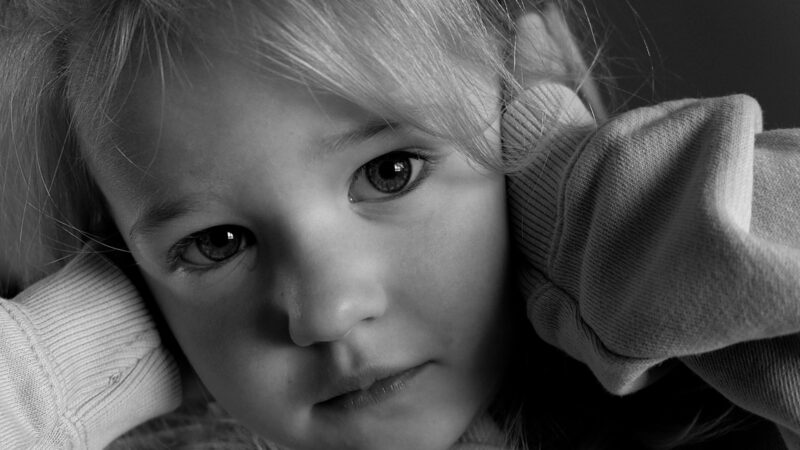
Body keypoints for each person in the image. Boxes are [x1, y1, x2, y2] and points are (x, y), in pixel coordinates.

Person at [0, 1, 798, 449]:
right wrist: (51, 370)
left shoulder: (699, 396)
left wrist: (602, 211)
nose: (327, 312)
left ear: (530, 94)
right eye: (217, 242)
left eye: (390, 172)